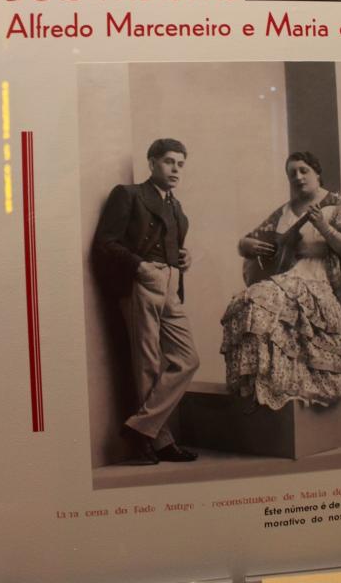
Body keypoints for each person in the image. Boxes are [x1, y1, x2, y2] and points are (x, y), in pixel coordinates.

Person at [221, 151, 341, 411]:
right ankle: (263, 385)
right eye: (292, 173)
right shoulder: (284, 211)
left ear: (317, 173)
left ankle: (291, 384)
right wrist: (247, 245)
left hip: (324, 280)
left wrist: (325, 228)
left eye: (304, 170)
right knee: (245, 302)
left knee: (260, 300)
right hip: (290, 276)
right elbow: (247, 240)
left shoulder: (335, 207)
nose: (298, 177)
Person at [93, 138, 199, 464]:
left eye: (180, 164)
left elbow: (171, 244)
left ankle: (141, 428)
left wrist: (183, 258)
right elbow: (105, 243)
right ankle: (159, 441)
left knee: (188, 359)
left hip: (171, 284)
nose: (175, 169)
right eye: (169, 161)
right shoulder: (129, 195)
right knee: (148, 362)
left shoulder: (177, 207)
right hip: (142, 281)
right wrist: (140, 267)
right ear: (152, 163)